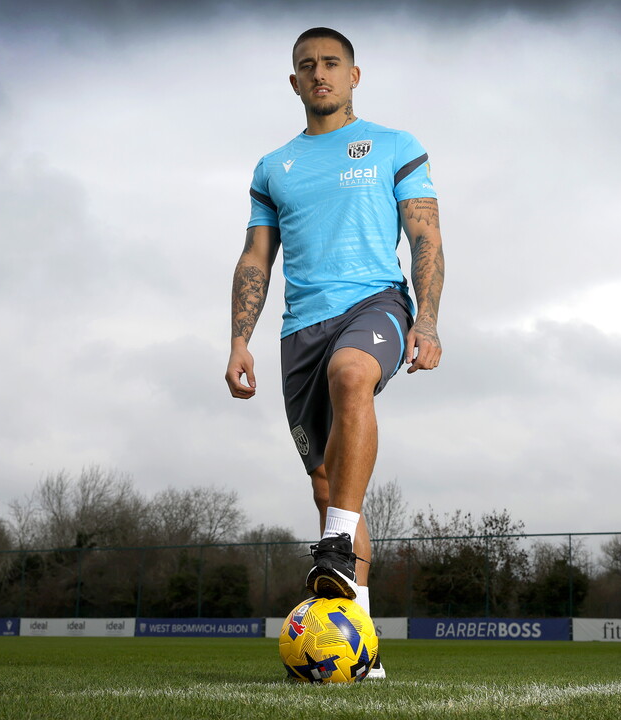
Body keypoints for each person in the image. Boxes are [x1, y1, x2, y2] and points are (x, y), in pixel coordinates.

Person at [224, 27, 444, 678]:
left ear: (354, 74)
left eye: (330, 64)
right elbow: (256, 257)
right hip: (299, 331)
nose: (318, 74)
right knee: (327, 485)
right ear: (294, 83)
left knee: (353, 376)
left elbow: (427, 240)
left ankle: (336, 552)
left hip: (375, 305)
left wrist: (425, 323)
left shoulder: (396, 147)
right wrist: (239, 338)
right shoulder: (273, 167)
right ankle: (362, 644)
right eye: (305, 67)